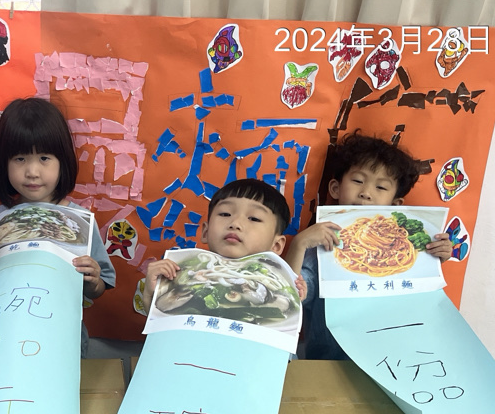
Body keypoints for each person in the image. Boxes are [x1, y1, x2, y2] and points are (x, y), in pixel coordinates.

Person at [0, 97, 115, 356]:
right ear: (4, 163)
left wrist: (93, 282)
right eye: (20, 159)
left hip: (62, 341)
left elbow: (99, 287)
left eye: (44, 158)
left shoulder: (79, 221)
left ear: (63, 161)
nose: (32, 172)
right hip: (2, 339)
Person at [286, 132, 452, 360]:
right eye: (357, 181)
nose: (366, 193)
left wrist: (434, 257)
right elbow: (291, 298)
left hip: (394, 360)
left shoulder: (407, 244)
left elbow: (419, 301)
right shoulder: (321, 247)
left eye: (381, 187)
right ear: (335, 188)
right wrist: (299, 244)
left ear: (396, 204)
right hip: (330, 361)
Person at [138, 178, 307, 309]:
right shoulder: (180, 272)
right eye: (225, 214)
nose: (235, 223)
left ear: (276, 245)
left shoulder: (275, 284)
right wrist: (151, 296)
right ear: (205, 231)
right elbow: (163, 326)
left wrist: (292, 298)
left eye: (254, 218)